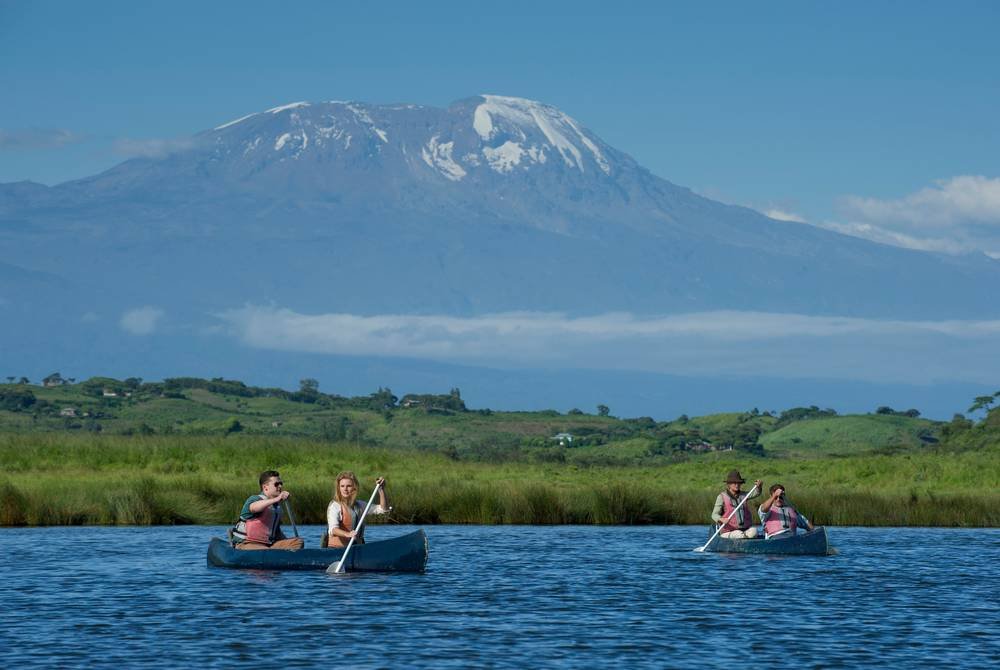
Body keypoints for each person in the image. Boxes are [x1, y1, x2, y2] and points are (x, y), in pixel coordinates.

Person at [231, 470, 305, 550]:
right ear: (265, 487)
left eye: (281, 484)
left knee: (298, 542)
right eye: (276, 484)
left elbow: (277, 532)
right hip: (246, 543)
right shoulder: (254, 499)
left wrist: (287, 543)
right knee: (264, 550)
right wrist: (277, 498)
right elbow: (254, 507)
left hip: (268, 545)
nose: (280, 486)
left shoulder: (276, 507)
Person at [325, 471, 390, 548]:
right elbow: (333, 529)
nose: (345, 489)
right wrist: (348, 534)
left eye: (348, 486)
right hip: (337, 549)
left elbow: (383, 509)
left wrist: (381, 490)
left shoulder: (360, 505)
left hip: (358, 549)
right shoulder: (335, 506)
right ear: (338, 488)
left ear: (354, 488)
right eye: (342, 486)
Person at [711, 470, 763, 539]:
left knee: (754, 531)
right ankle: (743, 538)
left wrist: (759, 487)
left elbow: (756, 493)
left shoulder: (744, 495)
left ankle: (745, 539)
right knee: (739, 535)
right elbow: (714, 515)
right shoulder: (721, 497)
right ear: (729, 484)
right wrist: (722, 519)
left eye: (739, 483)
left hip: (744, 529)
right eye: (734, 483)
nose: (737, 485)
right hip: (728, 531)